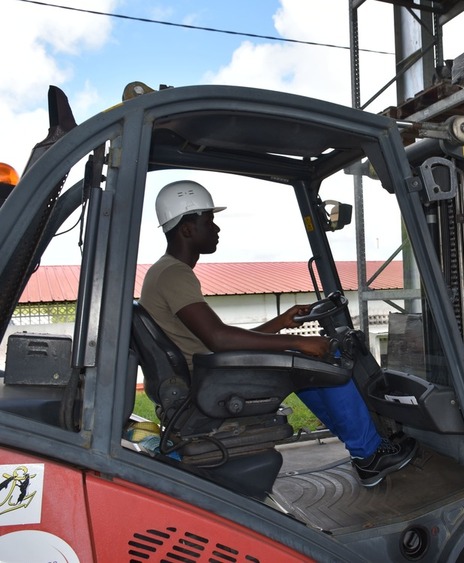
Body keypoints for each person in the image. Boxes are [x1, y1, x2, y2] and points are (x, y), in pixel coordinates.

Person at [139, 180, 417, 487]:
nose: (216, 228)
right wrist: (299, 342)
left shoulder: (166, 272)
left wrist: (282, 322)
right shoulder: (175, 274)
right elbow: (220, 340)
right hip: (211, 382)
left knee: (305, 364)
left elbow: (218, 340)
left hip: (211, 372)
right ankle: (370, 454)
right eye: (209, 221)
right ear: (187, 229)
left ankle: (364, 449)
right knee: (326, 360)